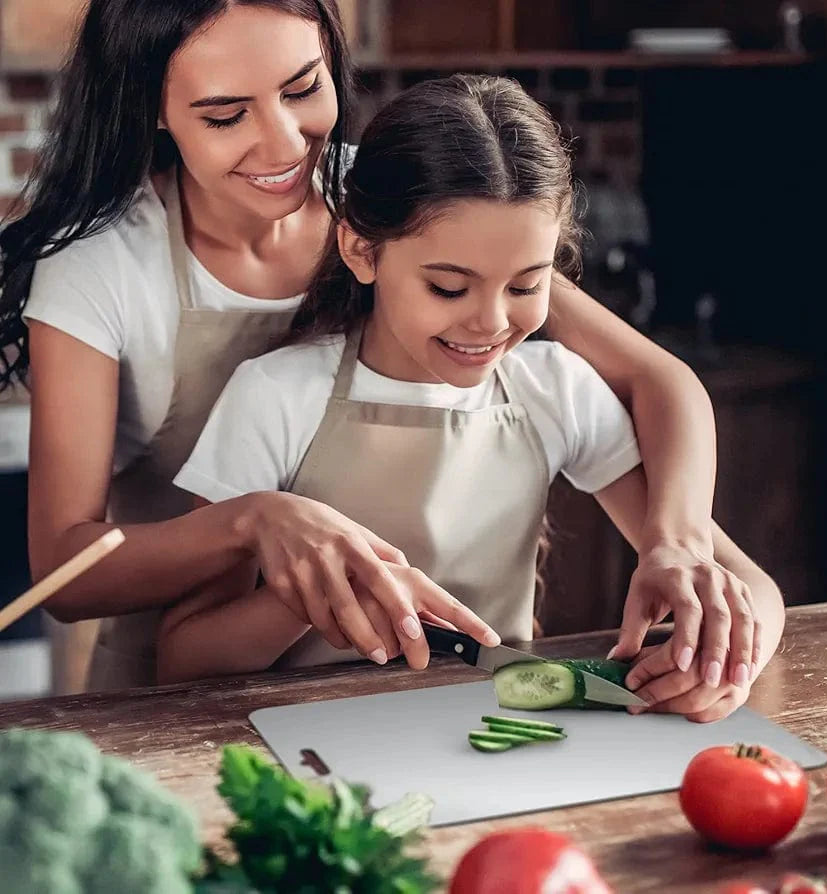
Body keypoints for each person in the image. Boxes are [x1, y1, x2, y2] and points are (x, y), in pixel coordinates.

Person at [0, 0, 757, 692]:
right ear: (153, 111)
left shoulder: (393, 203)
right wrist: (255, 523)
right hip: (169, 678)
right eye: (226, 114)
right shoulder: (103, 266)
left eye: (303, 89)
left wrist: (681, 539)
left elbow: (656, 378)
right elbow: (66, 574)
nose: (284, 142)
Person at [160, 74, 784, 723]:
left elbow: (752, 587)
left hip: (499, 735)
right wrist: (309, 594)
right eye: (449, 288)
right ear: (361, 249)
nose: (489, 323)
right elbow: (184, 659)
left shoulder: (555, 389)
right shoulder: (276, 397)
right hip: (307, 742)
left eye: (524, 287)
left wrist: (728, 660)